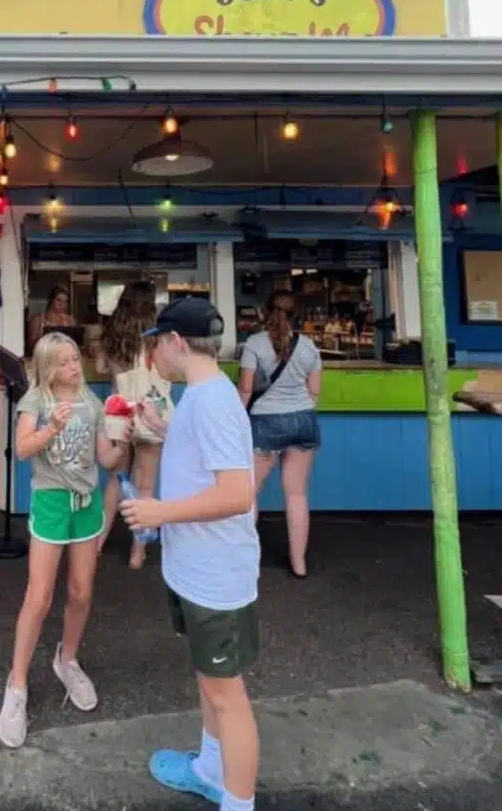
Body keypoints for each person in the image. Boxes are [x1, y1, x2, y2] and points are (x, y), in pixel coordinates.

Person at [119, 297, 260, 811]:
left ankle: (238, 802)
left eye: (157, 342)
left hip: (216, 575)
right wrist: (163, 428)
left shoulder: (215, 402)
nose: (153, 352)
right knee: (210, 682)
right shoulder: (201, 395)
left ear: (176, 341)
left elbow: (237, 494)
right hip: (196, 571)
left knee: (227, 696)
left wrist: (158, 512)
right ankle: (209, 769)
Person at [0, 332, 130, 749]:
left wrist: (126, 437)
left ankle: (67, 659)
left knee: (81, 591)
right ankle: (17, 683)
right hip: (52, 501)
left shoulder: (92, 403)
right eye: (66, 361)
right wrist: (52, 427)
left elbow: (105, 458)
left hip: (87, 503)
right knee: (39, 597)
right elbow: (22, 449)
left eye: (76, 359)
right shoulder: (35, 401)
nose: (75, 366)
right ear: (49, 367)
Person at [237, 290, 322, 578]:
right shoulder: (309, 346)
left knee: (250, 491)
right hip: (304, 420)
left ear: (265, 311)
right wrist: (298, 410)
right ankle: (299, 563)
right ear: (296, 314)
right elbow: (315, 392)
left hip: (265, 422)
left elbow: (246, 388)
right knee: (296, 494)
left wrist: (237, 419)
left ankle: (244, 559)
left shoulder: (254, 343)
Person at [96, 280, 173, 569]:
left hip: (120, 414)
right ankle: (137, 553)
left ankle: (98, 543)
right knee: (145, 486)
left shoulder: (112, 336)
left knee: (115, 480)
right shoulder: (158, 339)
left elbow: (101, 367)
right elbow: (169, 373)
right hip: (150, 413)